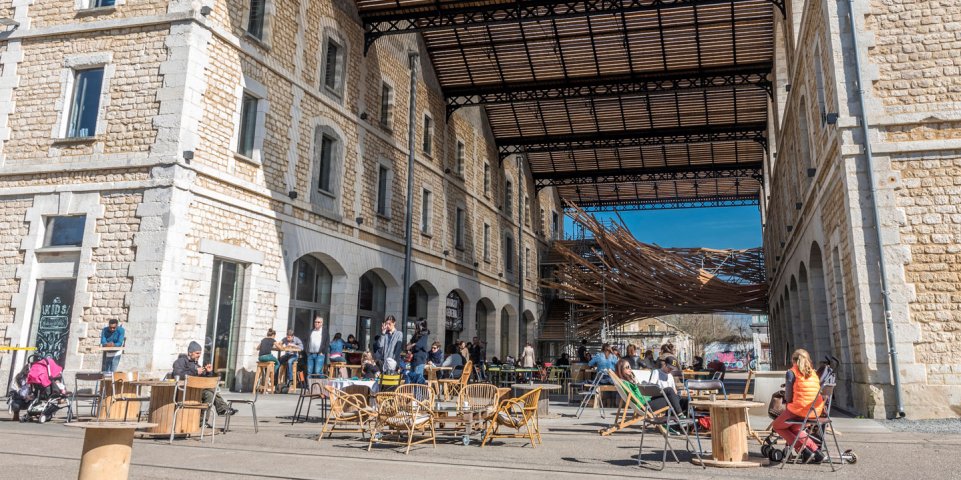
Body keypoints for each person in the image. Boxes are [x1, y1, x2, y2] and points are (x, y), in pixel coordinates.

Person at [772, 349, 827, 463]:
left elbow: (788, 395)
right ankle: (817, 453)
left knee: (777, 425)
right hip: (814, 411)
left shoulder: (791, 372)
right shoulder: (813, 373)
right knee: (794, 428)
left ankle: (804, 451)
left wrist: (789, 403)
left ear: (793, 360)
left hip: (799, 411)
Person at [171, 341, 235, 417]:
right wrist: (195, 371)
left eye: (200, 353)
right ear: (190, 352)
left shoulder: (196, 364)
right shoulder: (181, 361)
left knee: (210, 395)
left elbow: (204, 381)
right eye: (197, 353)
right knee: (211, 389)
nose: (199, 355)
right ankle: (222, 409)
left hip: (196, 390)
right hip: (184, 390)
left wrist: (208, 372)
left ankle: (202, 422)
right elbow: (177, 374)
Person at [407, 320, 430, 384]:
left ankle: (418, 394)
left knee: (417, 379)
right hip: (413, 359)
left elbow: (418, 346)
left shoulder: (424, 334)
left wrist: (412, 345)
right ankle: (413, 393)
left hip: (419, 360)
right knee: (413, 379)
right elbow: (408, 346)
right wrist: (412, 345)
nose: (414, 327)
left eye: (415, 326)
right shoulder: (415, 335)